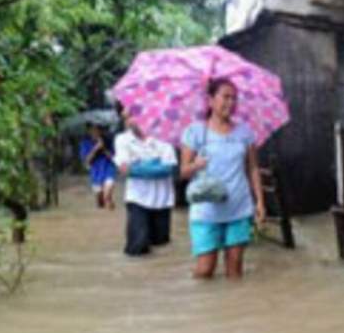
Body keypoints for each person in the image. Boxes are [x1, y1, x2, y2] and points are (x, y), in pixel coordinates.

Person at [180, 78, 265, 279]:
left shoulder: (245, 133)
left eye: (234, 98)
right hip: (206, 211)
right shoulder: (195, 132)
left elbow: (253, 169)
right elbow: (183, 171)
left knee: (235, 271)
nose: (231, 103)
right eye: (225, 97)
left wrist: (260, 201)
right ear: (210, 100)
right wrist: (196, 165)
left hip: (238, 207)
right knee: (205, 270)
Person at [113, 103, 177, 256]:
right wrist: (155, 164)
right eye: (127, 117)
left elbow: (169, 169)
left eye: (133, 115)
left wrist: (136, 167)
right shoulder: (122, 139)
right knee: (137, 247)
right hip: (137, 199)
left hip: (162, 200)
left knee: (161, 244)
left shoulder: (164, 136)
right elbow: (124, 169)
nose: (130, 121)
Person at [79, 123, 117, 209]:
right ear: (88, 131)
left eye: (97, 130)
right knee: (100, 202)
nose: (95, 132)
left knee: (107, 192)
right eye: (92, 130)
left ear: (100, 131)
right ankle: (105, 201)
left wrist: (103, 148)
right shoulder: (85, 143)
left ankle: (109, 201)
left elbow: (113, 158)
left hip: (108, 168)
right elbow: (86, 160)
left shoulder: (108, 140)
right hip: (95, 172)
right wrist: (96, 148)